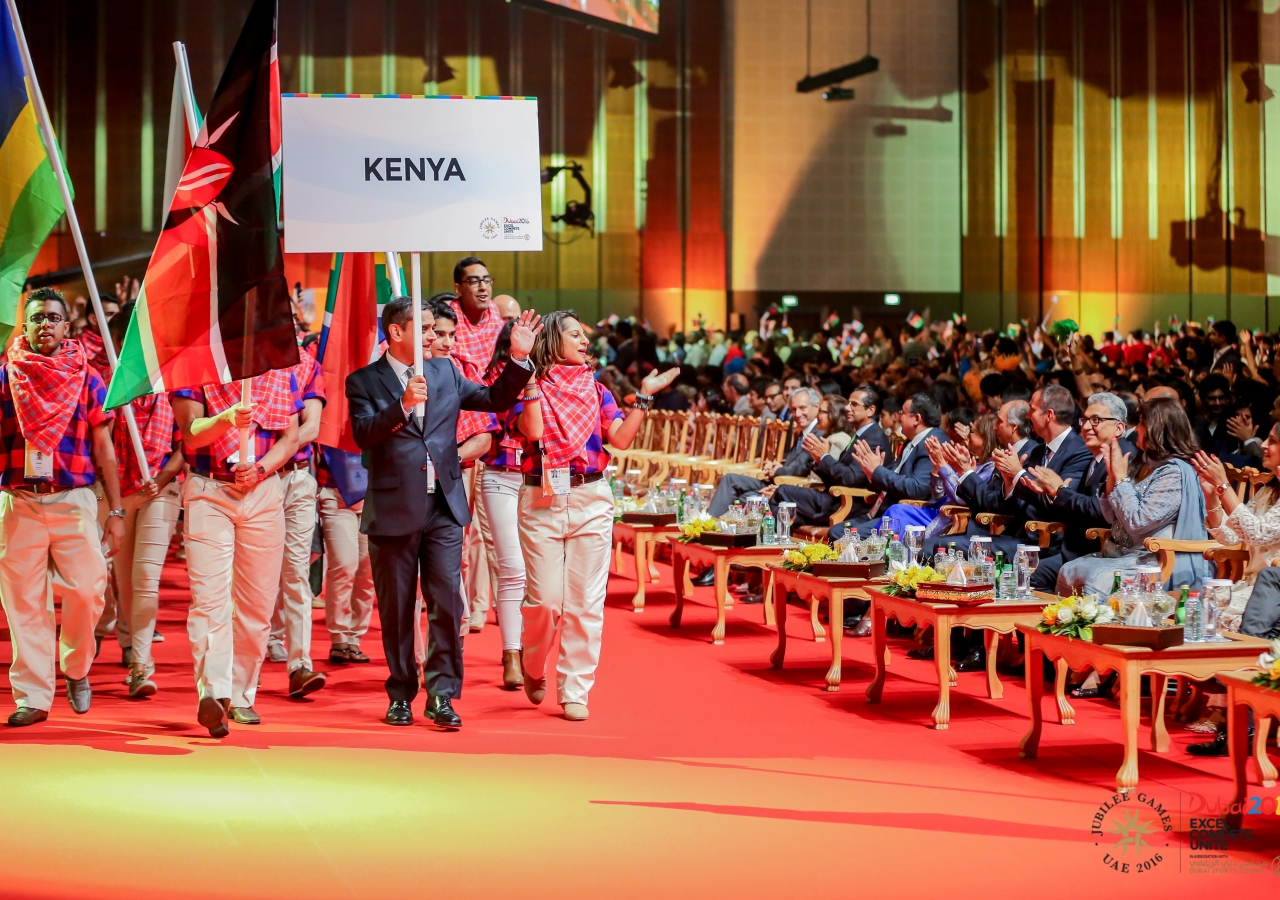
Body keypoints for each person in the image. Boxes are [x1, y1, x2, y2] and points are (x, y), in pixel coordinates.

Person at [346, 297, 538, 730]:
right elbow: (363, 435)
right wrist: (401, 406)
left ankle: (443, 695)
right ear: (397, 333)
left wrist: (519, 358)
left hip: (445, 507)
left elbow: (494, 399)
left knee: (447, 604)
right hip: (394, 508)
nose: (434, 336)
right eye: (426, 328)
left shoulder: (446, 371)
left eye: (435, 328)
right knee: (397, 609)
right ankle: (400, 693)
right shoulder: (364, 381)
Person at [511, 310, 680, 721]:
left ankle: (575, 689)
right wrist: (529, 377)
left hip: (591, 497)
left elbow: (620, 439)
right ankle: (533, 664)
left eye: (584, 336)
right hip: (541, 500)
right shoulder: (528, 384)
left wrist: (644, 395)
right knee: (546, 602)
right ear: (552, 342)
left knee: (586, 603)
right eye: (574, 335)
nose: (585, 341)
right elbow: (532, 433)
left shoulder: (598, 390)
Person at [0, 288, 124, 726]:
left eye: (53, 317)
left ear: (67, 327)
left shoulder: (87, 378)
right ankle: (32, 696)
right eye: (37, 318)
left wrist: (116, 510)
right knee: (23, 602)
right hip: (19, 501)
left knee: (89, 591)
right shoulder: (5, 375)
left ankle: (76, 668)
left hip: (73, 499)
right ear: (26, 326)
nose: (45, 325)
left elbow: (104, 448)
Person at [171, 366, 302, 737]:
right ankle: (213, 693)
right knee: (209, 598)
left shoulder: (280, 369)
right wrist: (226, 418)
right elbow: (192, 437)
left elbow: (289, 437)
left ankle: (241, 695)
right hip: (208, 490)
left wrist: (260, 468)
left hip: (262, 490)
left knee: (257, 601)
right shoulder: (197, 359)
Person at [105, 304, 185, 697]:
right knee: (123, 581)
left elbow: (186, 443)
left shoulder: (171, 384)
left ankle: (141, 666)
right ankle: (128, 644)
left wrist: (164, 477)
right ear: (115, 344)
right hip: (118, 495)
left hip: (161, 492)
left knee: (145, 578)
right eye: (126, 343)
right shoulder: (106, 388)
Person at [1057, 397, 1211, 597]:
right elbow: (1112, 518)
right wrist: (1113, 480)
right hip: (1119, 553)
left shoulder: (1174, 473)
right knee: (1068, 570)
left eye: (1141, 423)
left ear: (1157, 429)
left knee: (1096, 578)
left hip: (1151, 560)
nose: (1136, 429)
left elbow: (1138, 523)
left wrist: (1121, 479)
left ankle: (1102, 628)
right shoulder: (1140, 463)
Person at [1022, 392, 1137, 591]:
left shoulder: (1123, 457)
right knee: (1023, 568)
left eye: (1096, 420)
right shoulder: (1097, 457)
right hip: (1074, 548)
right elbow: (1075, 502)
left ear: (1119, 428)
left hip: (1099, 551)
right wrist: (1051, 492)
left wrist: (1060, 490)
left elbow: (1103, 512)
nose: (1085, 427)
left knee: (1031, 575)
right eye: (1084, 420)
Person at [265, 340, 327, 700]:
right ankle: (246, 667)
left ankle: (299, 664)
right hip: (256, 481)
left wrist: (269, 455)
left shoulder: (306, 365)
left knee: (296, 571)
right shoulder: (245, 362)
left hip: (295, 477)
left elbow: (312, 427)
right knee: (254, 575)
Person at [478, 321, 529, 689]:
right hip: (501, 474)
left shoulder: (559, 378)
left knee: (540, 572)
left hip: (545, 480)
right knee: (511, 566)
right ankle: (512, 652)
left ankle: (533, 648)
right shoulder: (495, 378)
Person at [832, 392, 949, 541]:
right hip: (883, 511)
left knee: (839, 535)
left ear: (917, 419)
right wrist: (872, 473)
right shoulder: (912, 440)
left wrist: (878, 471)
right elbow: (895, 477)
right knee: (837, 530)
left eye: (903, 413)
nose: (899, 417)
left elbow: (917, 489)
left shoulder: (932, 443)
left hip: (907, 519)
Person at [706, 387, 823, 517]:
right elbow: (796, 459)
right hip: (780, 478)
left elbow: (811, 467)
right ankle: (711, 525)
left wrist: (779, 470)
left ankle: (711, 525)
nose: (797, 414)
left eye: (803, 408)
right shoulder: (803, 431)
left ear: (816, 407)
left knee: (747, 497)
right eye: (794, 410)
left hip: (791, 485)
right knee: (730, 479)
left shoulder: (820, 433)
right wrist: (776, 464)